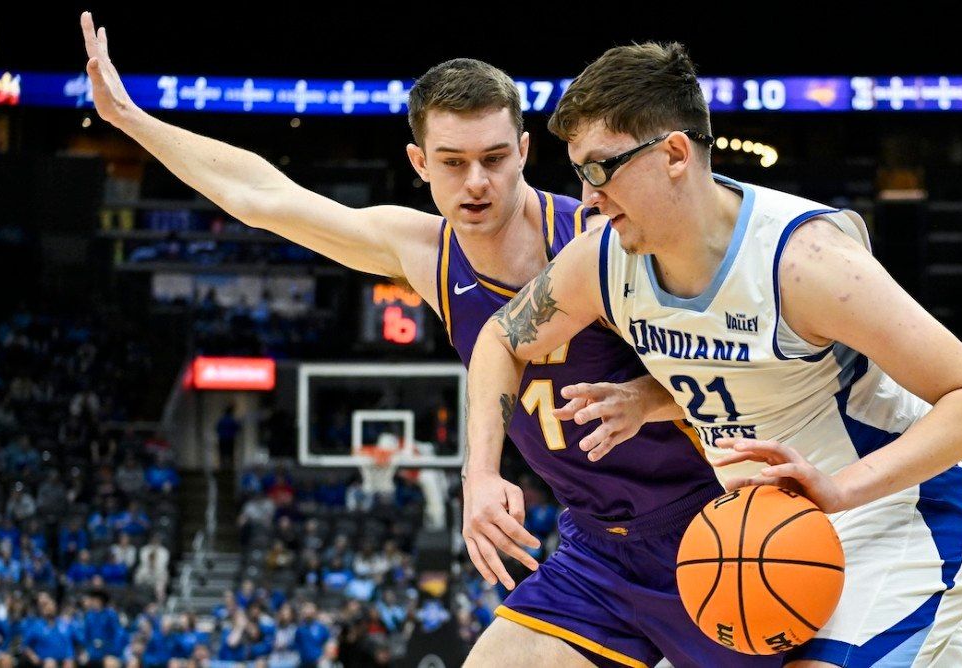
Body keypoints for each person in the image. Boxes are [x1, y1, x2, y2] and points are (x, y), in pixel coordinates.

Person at [81, 14, 763, 667]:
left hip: (708, 522)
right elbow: (261, 195)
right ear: (419, 162)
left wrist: (641, 397)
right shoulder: (423, 254)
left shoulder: (600, 237)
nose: (476, 182)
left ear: (525, 151)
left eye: (496, 158)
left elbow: (735, 376)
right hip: (595, 544)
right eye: (454, 161)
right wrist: (133, 121)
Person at [465, 42, 962, 667]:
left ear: (673, 154)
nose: (587, 198)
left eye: (600, 169)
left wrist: (837, 488)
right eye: (579, 174)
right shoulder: (603, 261)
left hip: (894, 516)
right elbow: (500, 339)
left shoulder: (805, 265)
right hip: (766, 528)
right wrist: (482, 473)